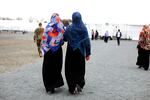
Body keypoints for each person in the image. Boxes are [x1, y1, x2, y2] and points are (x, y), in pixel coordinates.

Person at [64, 12, 91, 94]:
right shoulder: (83, 28)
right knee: (80, 69)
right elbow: (87, 41)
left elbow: (64, 38)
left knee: (70, 69)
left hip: (70, 51)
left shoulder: (69, 28)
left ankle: (72, 87)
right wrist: (88, 53)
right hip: (80, 52)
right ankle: (79, 84)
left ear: (73, 18)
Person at [41, 13, 65, 93]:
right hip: (57, 50)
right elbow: (63, 39)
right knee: (56, 68)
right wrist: (58, 43)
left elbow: (44, 39)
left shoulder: (47, 27)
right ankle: (55, 84)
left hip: (48, 50)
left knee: (47, 68)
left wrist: (45, 47)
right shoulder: (61, 26)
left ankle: (49, 87)